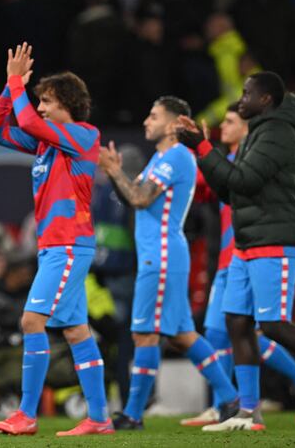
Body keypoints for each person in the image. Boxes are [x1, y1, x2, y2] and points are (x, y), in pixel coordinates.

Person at [177, 71, 295, 431]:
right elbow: (234, 193)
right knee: (236, 319)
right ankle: (248, 411)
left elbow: (244, 181)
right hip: (248, 241)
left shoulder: (278, 132)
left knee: (274, 324)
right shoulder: (259, 132)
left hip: (275, 240)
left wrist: (203, 148)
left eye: (248, 93)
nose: (242, 97)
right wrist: (201, 148)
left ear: (266, 100)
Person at [0, 43, 112, 437]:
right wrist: (11, 90)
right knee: (75, 331)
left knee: (31, 320)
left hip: (68, 245)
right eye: (38, 100)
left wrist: (14, 82)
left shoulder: (83, 135)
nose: (40, 108)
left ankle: (26, 414)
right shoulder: (46, 142)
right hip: (55, 247)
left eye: (48, 101)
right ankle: (99, 417)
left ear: (69, 104)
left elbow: (26, 122)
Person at [98, 96, 239, 430]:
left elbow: (139, 197)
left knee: (145, 334)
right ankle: (231, 399)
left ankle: (132, 414)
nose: (146, 121)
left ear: (175, 124)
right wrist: (120, 175)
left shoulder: (175, 156)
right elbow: (139, 196)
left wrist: (115, 170)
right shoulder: (164, 157)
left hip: (159, 255)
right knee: (180, 334)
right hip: (163, 253)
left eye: (154, 115)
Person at [182, 103, 295, 427]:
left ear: (247, 129)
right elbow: (203, 189)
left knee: (248, 330)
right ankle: (229, 404)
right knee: (222, 332)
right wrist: (197, 151)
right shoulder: (227, 160)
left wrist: (201, 152)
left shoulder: (247, 163)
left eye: (231, 121)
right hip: (229, 257)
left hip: (247, 253)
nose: (224, 127)